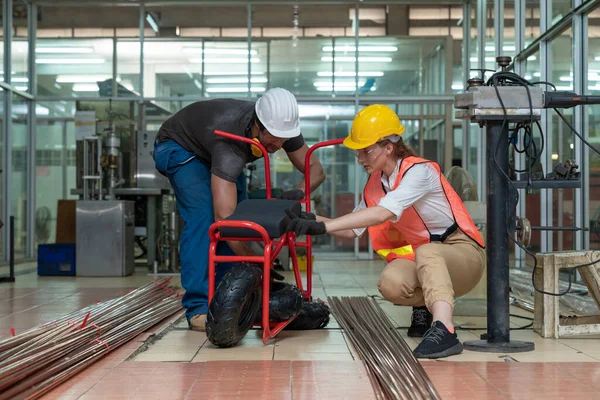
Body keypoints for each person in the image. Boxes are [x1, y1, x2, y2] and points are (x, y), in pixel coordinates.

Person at [286, 104, 486, 359]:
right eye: (358, 152)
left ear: (388, 147)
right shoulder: (375, 185)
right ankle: (424, 307)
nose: (360, 159)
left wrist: (324, 226)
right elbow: (354, 229)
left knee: (427, 252)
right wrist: (311, 218)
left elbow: (383, 213)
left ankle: (445, 330)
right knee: (391, 283)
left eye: (366, 151)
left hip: (465, 254)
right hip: (427, 258)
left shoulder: (419, 172)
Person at [153, 88, 326, 332]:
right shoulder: (229, 145)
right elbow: (225, 220)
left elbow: (316, 170)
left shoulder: (282, 127)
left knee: (241, 218)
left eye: (283, 139)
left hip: (212, 148)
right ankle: (199, 307)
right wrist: (259, 264)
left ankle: (229, 297)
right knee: (207, 220)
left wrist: (299, 191)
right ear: (257, 125)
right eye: (273, 137)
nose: (277, 145)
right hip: (180, 148)